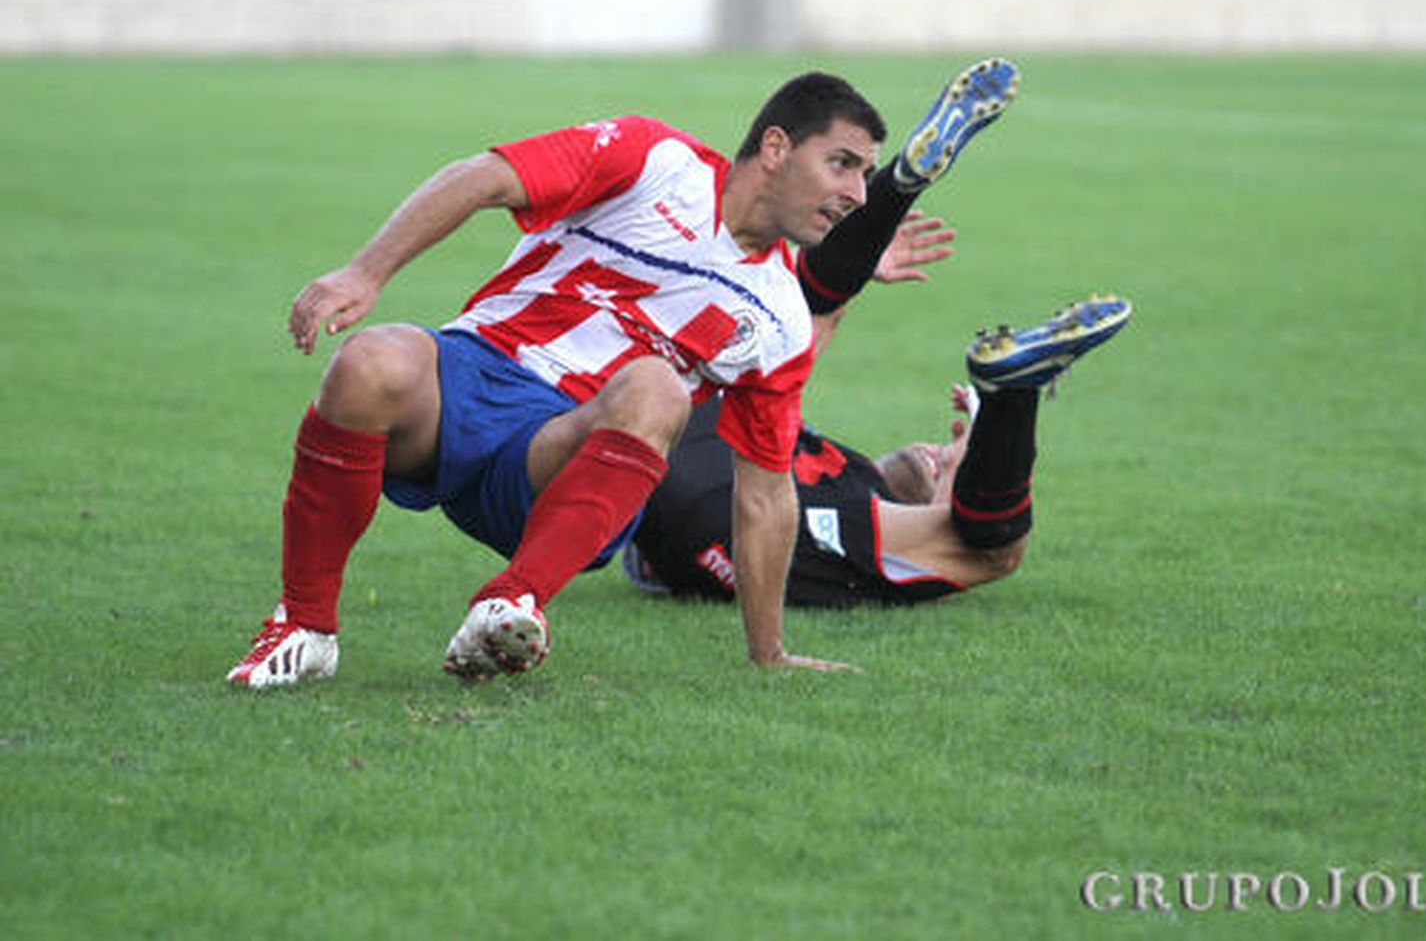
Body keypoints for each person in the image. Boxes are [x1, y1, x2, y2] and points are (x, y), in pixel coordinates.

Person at [225, 57, 1021, 687]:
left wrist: (767, 652)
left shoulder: (778, 314)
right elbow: (484, 177)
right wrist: (365, 274)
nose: (853, 192)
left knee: (656, 385)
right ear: (775, 147)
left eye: (866, 176)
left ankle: (513, 602)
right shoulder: (655, 160)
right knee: (370, 359)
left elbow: (765, 489)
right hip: (473, 375)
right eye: (843, 164)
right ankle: (304, 627)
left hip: (563, 454)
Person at [624, 296, 1132, 607]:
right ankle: (1009, 397)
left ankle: (1009, 396)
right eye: (945, 446)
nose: (937, 451)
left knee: (991, 550)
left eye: (945, 461)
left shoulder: (850, 489)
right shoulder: (839, 473)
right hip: (690, 450)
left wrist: (971, 452)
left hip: (703, 507)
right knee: (992, 552)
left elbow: (957, 524)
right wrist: (974, 446)